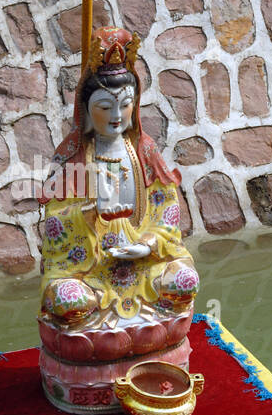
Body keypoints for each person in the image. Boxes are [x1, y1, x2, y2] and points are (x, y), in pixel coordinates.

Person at [38, 26, 198, 334]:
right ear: (86, 110)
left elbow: (167, 211)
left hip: (143, 265)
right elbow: (54, 226)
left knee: (184, 281)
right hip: (89, 269)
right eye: (105, 106)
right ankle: (123, 332)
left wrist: (147, 245)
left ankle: (153, 330)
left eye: (125, 104)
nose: (117, 115)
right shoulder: (72, 156)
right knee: (67, 301)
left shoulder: (145, 151)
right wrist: (89, 212)